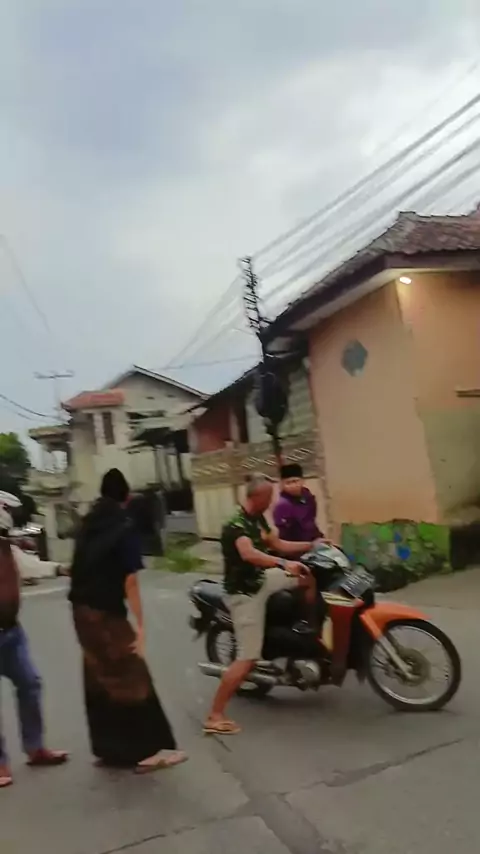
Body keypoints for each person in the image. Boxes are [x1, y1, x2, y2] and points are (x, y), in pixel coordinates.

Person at [69, 468, 186, 773]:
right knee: (132, 676)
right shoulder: (124, 526)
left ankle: (109, 748)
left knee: (98, 675)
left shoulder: (88, 522)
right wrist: (142, 627)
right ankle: (147, 751)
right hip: (106, 613)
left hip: (80, 612)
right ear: (126, 495)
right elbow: (130, 582)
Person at [203, 473, 324, 736]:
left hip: (261, 579)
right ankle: (215, 715)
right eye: (269, 497)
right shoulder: (236, 524)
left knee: (308, 577)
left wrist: (313, 545)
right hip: (245, 594)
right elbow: (250, 554)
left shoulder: (257, 518)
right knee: (247, 659)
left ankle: (309, 630)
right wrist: (282, 563)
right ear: (256, 496)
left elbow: (277, 543)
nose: (272, 502)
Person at [0, 502, 68, 789]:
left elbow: (30, 566)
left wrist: (61, 568)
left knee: (30, 683)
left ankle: (35, 747)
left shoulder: (7, 549)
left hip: (11, 631)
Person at [273, 463, 323, 543]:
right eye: (288, 483)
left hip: (314, 539)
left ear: (302, 481)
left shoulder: (308, 496)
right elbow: (285, 534)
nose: (293, 485)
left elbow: (311, 521)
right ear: (282, 485)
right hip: (296, 545)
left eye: (295, 481)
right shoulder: (283, 505)